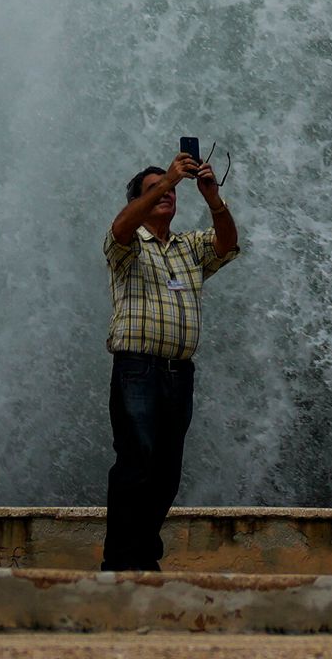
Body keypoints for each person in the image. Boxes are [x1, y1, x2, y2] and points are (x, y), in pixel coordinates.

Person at [100, 148, 239, 573]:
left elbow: (228, 243)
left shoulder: (188, 247)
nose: (166, 195)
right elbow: (119, 228)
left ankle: (141, 556)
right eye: (154, 190)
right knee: (136, 462)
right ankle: (121, 563)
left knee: (166, 472)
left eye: (170, 191)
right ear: (137, 200)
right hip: (137, 368)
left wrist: (212, 198)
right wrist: (169, 179)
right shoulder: (128, 245)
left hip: (179, 373)